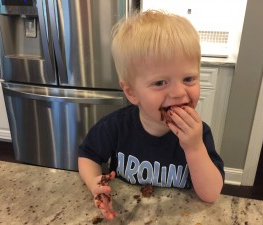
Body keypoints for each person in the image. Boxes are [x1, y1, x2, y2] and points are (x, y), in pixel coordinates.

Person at [78, 10, 225, 220]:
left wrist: (194, 148)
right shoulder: (116, 127)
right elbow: (87, 156)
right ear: (131, 92)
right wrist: (94, 182)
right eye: (160, 83)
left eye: (189, 78)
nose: (179, 93)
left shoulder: (199, 134)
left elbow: (210, 195)